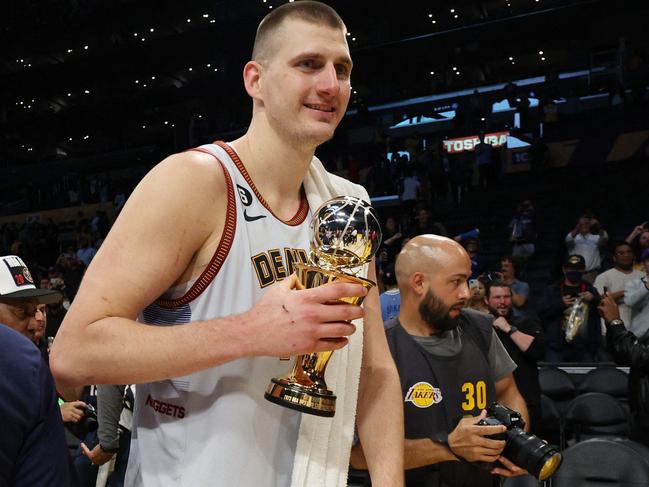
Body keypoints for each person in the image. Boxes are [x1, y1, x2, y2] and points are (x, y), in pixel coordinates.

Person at [50, 3, 404, 487]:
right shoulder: (193, 181)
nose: (330, 85)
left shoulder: (346, 203)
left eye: (341, 69)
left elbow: (375, 369)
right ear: (255, 80)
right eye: (308, 64)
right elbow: (75, 354)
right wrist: (252, 332)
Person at [352, 235, 528, 486]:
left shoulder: (480, 329)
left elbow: (509, 392)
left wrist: (516, 443)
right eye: (456, 282)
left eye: (467, 280)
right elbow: (357, 457)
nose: (466, 293)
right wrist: (448, 447)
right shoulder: (379, 349)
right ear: (419, 283)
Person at [485, 282, 546, 433]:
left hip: (526, 399)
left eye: (506, 296)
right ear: (487, 300)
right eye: (497, 297)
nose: (502, 301)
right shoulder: (481, 326)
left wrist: (509, 329)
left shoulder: (526, 322)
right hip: (491, 401)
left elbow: (537, 350)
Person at [598, 294, 649, 448]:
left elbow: (640, 355)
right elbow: (623, 355)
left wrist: (615, 322)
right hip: (642, 412)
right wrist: (611, 323)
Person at [537, 255, 602, 362]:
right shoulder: (552, 290)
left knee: (587, 377)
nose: (574, 271)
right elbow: (541, 312)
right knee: (555, 377)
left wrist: (594, 300)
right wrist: (560, 304)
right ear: (564, 269)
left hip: (584, 347)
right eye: (571, 268)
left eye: (577, 269)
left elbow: (600, 312)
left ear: (583, 269)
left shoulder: (590, 290)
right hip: (557, 346)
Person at [593, 241, 644, 327]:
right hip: (613, 328)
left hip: (639, 328)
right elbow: (600, 300)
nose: (626, 255)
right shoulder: (604, 277)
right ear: (614, 258)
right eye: (621, 253)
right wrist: (627, 291)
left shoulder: (643, 276)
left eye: (629, 252)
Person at [565, 215, 608, 283]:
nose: (584, 225)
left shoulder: (596, 238)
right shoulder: (573, 238)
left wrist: (598, 225)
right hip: (575, 274)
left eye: (587, 223)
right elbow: (568, 240)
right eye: (582, 224)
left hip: (592, 275)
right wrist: (579, 225)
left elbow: (605, 239)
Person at [624, 248, 649, 338]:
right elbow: (629, 302)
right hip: (640, 334)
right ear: (643, 264)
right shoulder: (634, 284)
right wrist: (646, 287)